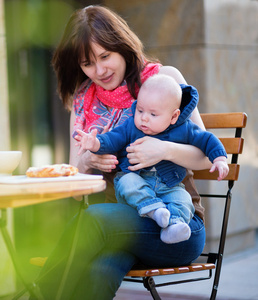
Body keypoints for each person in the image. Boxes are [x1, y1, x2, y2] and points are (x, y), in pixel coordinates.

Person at [34, 5, 214, 299]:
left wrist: (163, 148)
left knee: (93, 219)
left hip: (176, 226)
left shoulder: (163, 81)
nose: (99, 70)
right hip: (119, 231)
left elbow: (206, 156)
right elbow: (76, 191)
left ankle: (39, 293)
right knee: (96, 277)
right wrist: (86, 160)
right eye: (87, 63)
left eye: (105, 56)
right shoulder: (83, 105)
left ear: (122, 46)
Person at [75, 74, 229, 244]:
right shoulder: (131, 126)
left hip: (169, 186)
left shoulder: (183, 129)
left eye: (153, 114)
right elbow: (112, 139)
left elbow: (207, 140)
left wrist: (220, 158)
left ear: (173, 116)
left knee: (183, 199)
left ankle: (175, 225)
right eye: (140, 110)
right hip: (137, 181)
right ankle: (154, 210)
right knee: (127, 183)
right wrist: (95, 143)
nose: (144, 118)